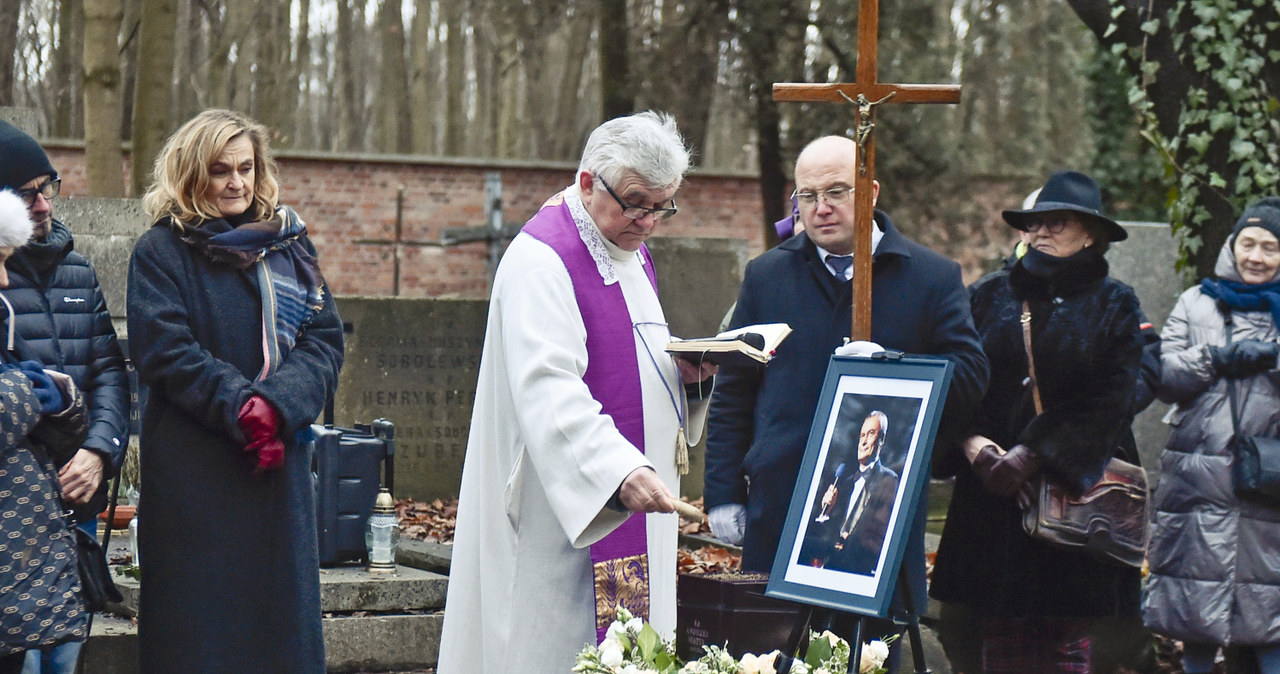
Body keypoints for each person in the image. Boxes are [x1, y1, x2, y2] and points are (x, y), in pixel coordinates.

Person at [437, 111, 716, 674]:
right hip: (563, 513)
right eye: (637, 202)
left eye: (662, 206)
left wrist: (687, 380)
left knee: (627, 651)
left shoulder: (630, 249)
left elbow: (633, 367)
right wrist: (616, 471)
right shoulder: (542, 261)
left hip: (631, 501)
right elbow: (548, 387)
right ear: (588, 181)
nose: (649, 222)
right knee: (554, 650)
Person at [704, 135, 988, 653]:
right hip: (781, 506)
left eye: (836, 191)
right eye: (807, 196)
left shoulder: (930, 278)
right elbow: (733, 388)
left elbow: (971, 375)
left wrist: (893, 367)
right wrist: (723, 491)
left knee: (868, 657)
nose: (821, 208)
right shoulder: (767, 276)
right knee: (771, 658)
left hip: (877, 520)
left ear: (871, 190)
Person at [127, 109, 344, 674]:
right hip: (196, 484)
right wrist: (240, 406)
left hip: (275, 478)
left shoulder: (288, 247)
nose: (237, 183)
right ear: (191, 173)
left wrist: (277, 405)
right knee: (202, 644)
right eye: (220, 170)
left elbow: (321, 341)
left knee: (278, 643)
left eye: (246, 168)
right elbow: (166, 351)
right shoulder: (160, 252)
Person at [929, 170, 1144, 673]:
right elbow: (957, 378)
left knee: (1063, 636)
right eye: (1035, 223)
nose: (1041, 232)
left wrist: (1037, 452)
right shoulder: (988, 294)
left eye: (1058, 223)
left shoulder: (1115, 302)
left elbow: (1112, 397)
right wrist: (972, 443)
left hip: (1071, 493)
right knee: (995, 631)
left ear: (1091, 234)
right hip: (992, 492)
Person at [0, 120, 129, 674]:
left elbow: (110, 373)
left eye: (46, 186)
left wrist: (98, 453)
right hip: (17, 507)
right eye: (25, 193)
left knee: (64, 657)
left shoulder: (77, 266)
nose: (43, 204)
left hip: (77, 495)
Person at [1143, 197, 1280, 674]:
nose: (1256, 257)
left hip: (1270, 481)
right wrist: (1216, 359)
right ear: (1232, 244)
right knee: (1193, 604)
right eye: (1248, 243)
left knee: (1272, 607)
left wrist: (1271, 358)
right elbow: (1162, 375)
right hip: (1198, 475)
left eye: (1270, 247)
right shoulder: (1196, 301)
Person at [0, 189, 89, 674]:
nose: (3, 277)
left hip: (29, 554)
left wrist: (68, 405)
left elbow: (100, 377)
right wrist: (30, 392)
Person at [801, 410, 900, 575]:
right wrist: (826, 512)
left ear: (881, 440)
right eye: (862, 436)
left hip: (862, 568)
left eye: (871, 434)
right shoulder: (843, 484)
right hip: (832, 564)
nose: (864, 442)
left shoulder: (889, 480)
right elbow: (821, 535)